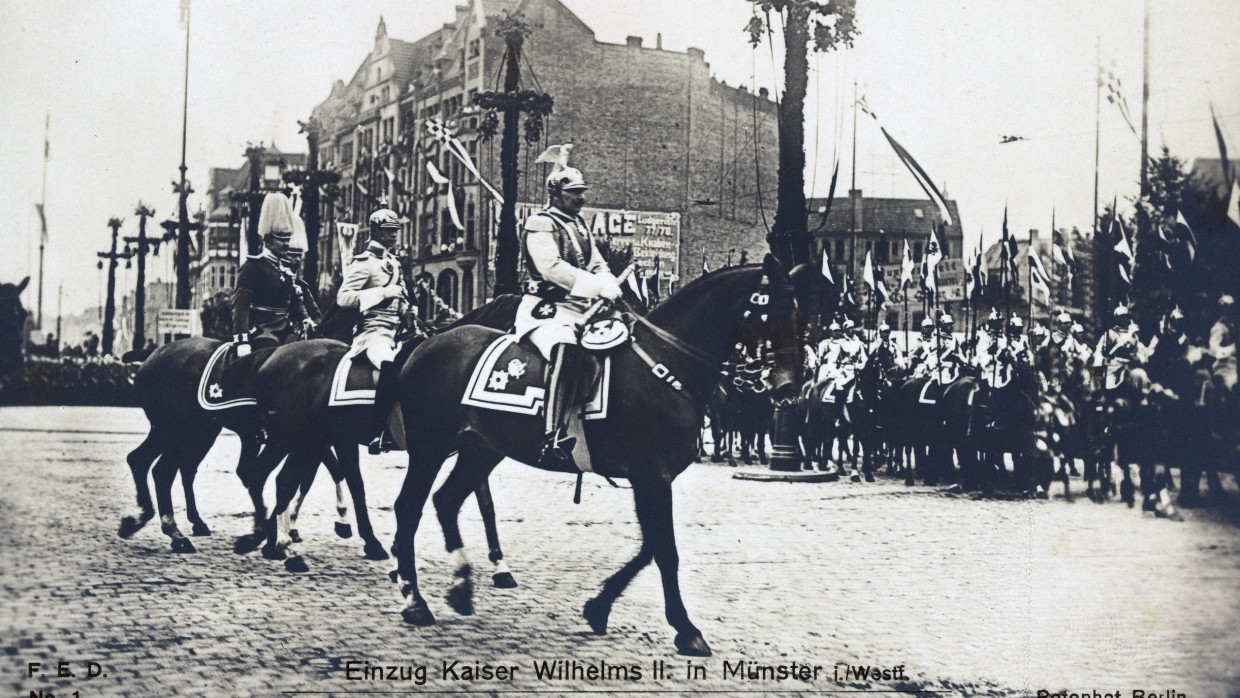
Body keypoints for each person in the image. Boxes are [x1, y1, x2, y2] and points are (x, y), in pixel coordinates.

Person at [513, 148, 621, 469]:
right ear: (555, 193)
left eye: (581, 193)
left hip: (581, 310)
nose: (580, 199)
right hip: (546, 310)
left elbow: (597, 263)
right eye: (573, 193)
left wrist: (609, 281)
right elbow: (551, 268)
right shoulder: (539, 223)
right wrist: (595, 285)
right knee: (567, 348)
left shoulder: (579, 226)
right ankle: (552, 435)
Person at [337, 207, 409, 454]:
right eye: (389, 231)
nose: (394, 236)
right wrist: (382, 293)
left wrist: (406, 309)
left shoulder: (393, 262)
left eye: (395, 231)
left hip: (397, 332)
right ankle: (377, 432)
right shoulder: (364, 263)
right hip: (373, 333)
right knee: (389, 365)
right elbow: (343, 298)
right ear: (376, 230)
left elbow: (399, 300)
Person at [232, 193, 305, 354]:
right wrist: (241, 340)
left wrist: (307, 320)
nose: (286, 244)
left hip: (286, 331)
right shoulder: (252, 267)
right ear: (268, 240)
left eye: (288, 239)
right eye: (281, 239)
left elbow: (295, 303)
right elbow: (241, 307)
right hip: (261, 332)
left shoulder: (285, 271)